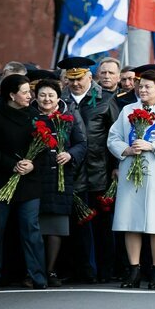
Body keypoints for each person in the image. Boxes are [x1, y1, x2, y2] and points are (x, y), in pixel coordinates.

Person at [107, 70, 155, 289]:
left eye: (147, 87)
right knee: (129, 220)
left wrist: (152, 146)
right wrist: (126, 150)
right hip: (130, 169)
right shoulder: (127, 110)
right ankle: (133, 270)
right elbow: (113, 137)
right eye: (140, 86)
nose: (142, 90)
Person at [58, 56, 113, 283]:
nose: (76, 84)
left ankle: (106, 270)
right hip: (72, 172)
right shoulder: (61, 101)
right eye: (72, 80)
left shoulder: (107, 100)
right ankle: (82, 270)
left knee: (102, 225)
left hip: (100, 170)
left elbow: (116, 137)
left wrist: (116, 168)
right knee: (78, 224)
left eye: (80, 78)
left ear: (90, 76)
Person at [0, 74, 47, 290]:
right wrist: (11, 165)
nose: (29, 96)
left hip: (29, 181)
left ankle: (37, 276)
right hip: (0, 181)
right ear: (12, 95)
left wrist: (32, 164)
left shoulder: (35, 116)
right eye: (24, 92)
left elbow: (44, 147)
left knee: (31, 228)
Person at [33, 78, 86, 287]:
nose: (46, 99)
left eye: (51, 95)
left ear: (58, 98)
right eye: (42, 95)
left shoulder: (68, 118)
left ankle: (51, 270)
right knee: (33, 227)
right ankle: (34, 271)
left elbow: (82, 143)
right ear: (36, 97)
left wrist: (70, 155)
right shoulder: (30, 116)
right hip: (33, 178)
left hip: (59, 178)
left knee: (56, 227)